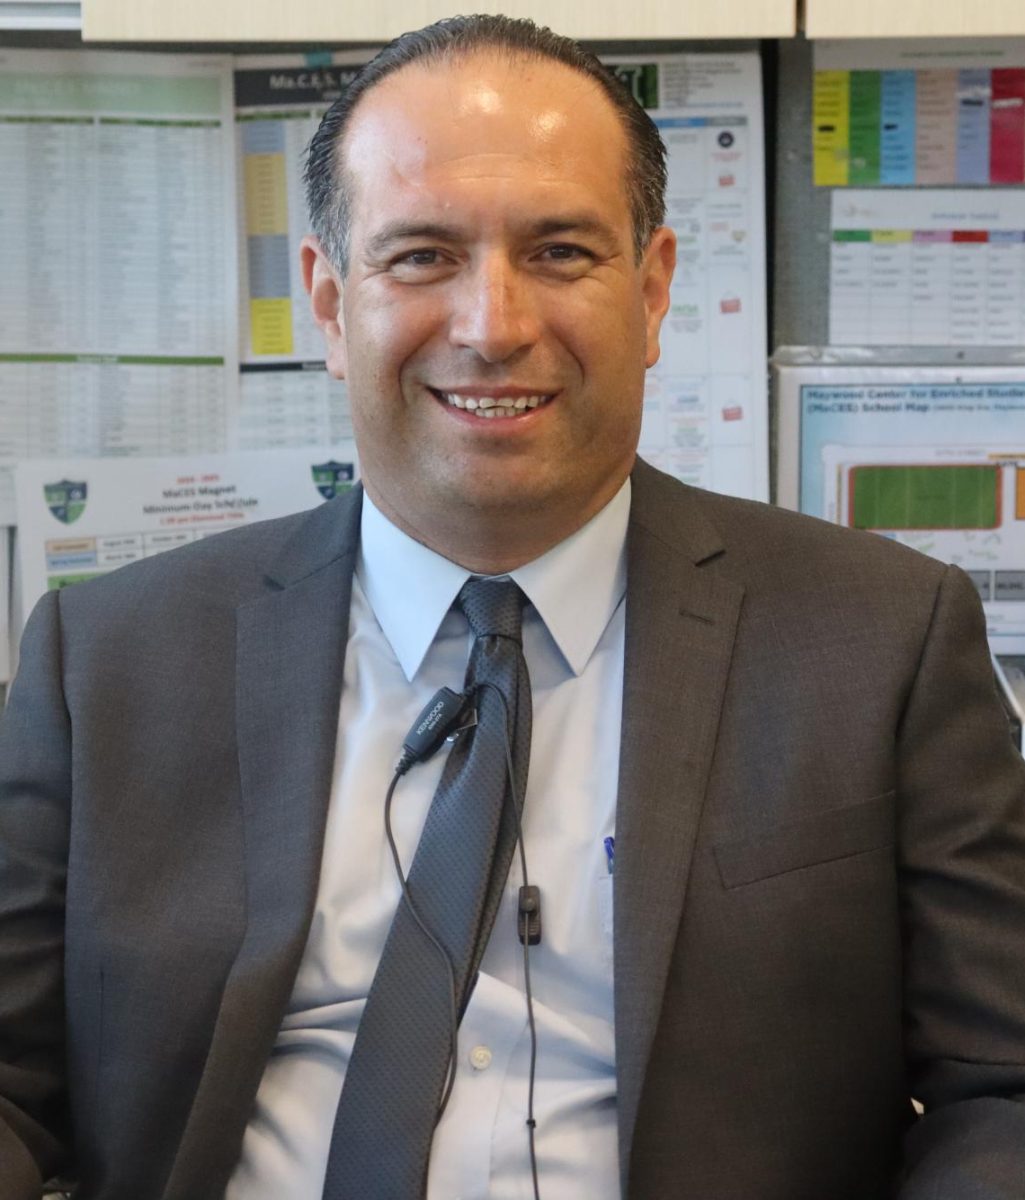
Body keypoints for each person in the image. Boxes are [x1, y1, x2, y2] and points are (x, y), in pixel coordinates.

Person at [2, 14, 1025, 1200]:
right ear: (330, 306)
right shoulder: (108, 658)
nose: (492, 327)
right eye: (421, 256)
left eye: (558, 253)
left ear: (650, 293)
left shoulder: (881, 642)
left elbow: (998, 1085)